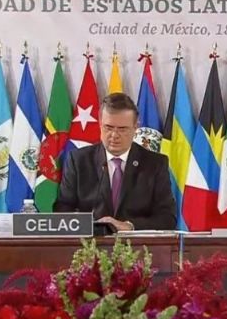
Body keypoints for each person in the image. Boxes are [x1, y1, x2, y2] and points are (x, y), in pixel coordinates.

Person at [54, 92, 176, 231]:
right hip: (89, 246)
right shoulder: (78, 161)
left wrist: (129, 226)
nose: (114, 135)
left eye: (122, 129)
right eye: (108, 127)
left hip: (138, 248)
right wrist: (91, 226)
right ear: (100, 124)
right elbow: (62, 211)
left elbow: (167, 218)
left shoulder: (154, 164)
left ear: (136, 127)